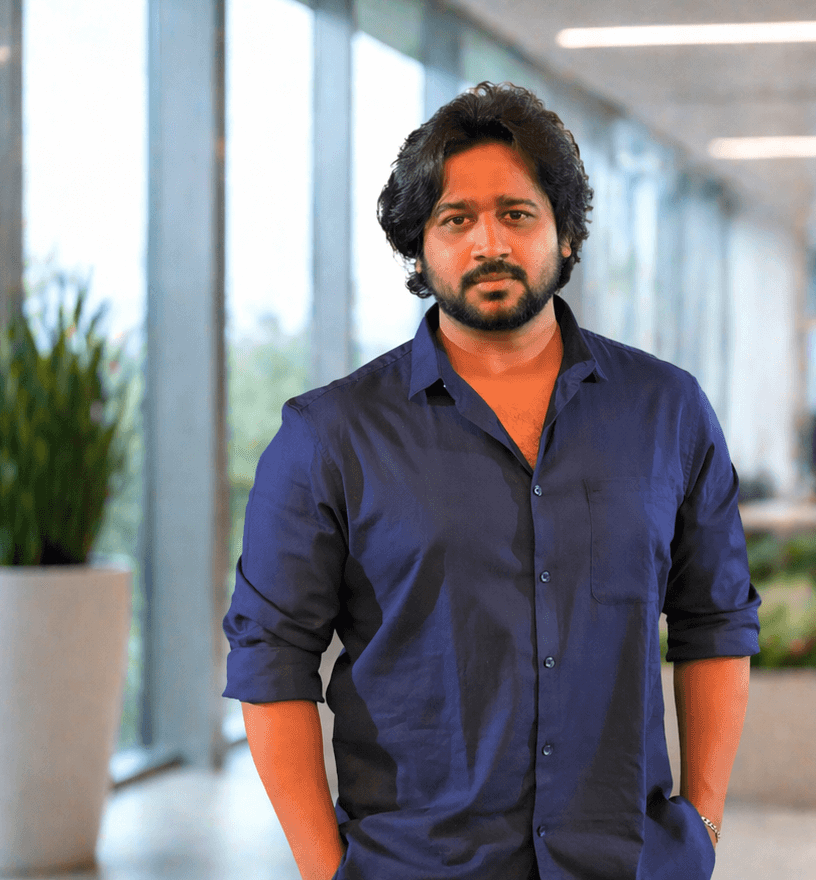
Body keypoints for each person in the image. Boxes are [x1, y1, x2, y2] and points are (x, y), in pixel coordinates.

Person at [222, 82, 760, 880]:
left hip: (626, 861)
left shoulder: (667, 412)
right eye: (456, 219)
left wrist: (703, 824)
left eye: (517, 213)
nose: (489, 243)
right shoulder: (329, 436)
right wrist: (323, 869)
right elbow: (270, 657)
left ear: (566, 236)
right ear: (419, 248)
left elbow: (715, 620)